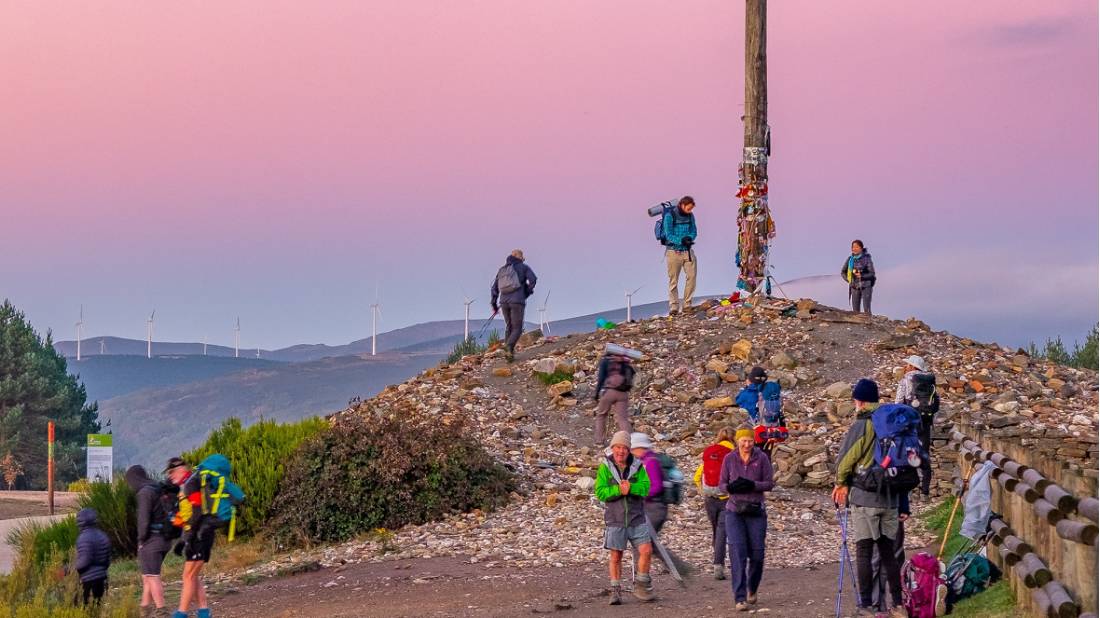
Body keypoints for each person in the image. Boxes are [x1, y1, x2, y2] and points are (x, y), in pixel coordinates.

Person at [831, 379, 906, 618]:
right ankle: (897, 604)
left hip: (865, 497)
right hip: (891, 498)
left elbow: (846, 460)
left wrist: (841, 483)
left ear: (860, 401)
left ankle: (866, 605)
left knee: (864, 551)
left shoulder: (862, 424)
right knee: (888, 553)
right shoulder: (894, 423)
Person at [171, 454, 245, 618]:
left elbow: (196, 512)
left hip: (199, 535)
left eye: (172, 471)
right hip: (202, 533)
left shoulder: (191, 483)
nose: (170, 476)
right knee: (191, 575)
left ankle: (181, 614)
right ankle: (204, 612)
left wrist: (186, 539)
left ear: (182, 469)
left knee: (189, 575)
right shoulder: (192, 482)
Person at [594, 431, 654, 605]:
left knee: (646, 550)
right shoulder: (605, 467)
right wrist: (618, 490)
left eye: (624, 448)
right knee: (616, 556)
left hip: (636, 517)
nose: (620, 451)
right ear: (612, 448)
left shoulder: (638, 466)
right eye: (617, 447)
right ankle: (616, 590)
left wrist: (632, 488)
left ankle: (642, 584)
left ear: (629, 450)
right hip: (615, 518)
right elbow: (600, 492)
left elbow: (646, 487)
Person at [720, 428, 774, 611]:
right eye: (743, 440)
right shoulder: (729, 459)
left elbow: (769, 483)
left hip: (756, 511)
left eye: (749, 441)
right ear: (737, 441)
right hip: (734, 511)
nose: (746, 444)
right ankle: (740, 598)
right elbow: (721, 484)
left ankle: (753, 587)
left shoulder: (762, 458)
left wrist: (753, 485)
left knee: (757, 555)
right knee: (738, 553)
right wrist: (731, 488)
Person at [127, 464, 175, 617]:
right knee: (147, 574)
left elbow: (144, 520)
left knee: (153, 576)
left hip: (152, 540)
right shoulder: (157, 488)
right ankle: (144, 608)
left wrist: (141, 541)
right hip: (166, 539)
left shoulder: (144, 493)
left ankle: (162, 611)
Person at [694, 426, 737, 580]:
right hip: (727, 498)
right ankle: (718, 565)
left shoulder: (710, 452)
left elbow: (697, 476)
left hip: (709, 498)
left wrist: (703, 491)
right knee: (722, 532)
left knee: (715, 530)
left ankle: (717, 560)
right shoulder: (734, 454)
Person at [895, 354, 939, 496]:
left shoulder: (905, 379)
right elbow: (935, 403)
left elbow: (898, 402)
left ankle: (908, 491)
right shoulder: (929, 380)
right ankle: (925, 491)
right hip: (925, 422)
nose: (906, 367)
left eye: (908, 365)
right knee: (924, 454)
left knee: (907, 453)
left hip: (909, 422)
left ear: (913, 366)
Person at [489, 249, 538, 362]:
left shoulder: (502, 270)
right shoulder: (523, 267)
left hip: (504, 302)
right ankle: (509, 347)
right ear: (520, 258)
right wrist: (527, 291)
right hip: (517, 301)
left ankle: (509, 353)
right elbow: (533, 280)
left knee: (509, 326)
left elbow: (494, 289)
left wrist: (494, 306)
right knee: (517, 328)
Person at [871, 492, 909, 613]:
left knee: (879, 558)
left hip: (871, 508)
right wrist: (904, 507)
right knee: (892, 556)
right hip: (891, 506)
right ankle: (896, 603)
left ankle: (878, 604)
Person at [661, 196, 698, 314]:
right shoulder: (669, 216)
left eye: (691, 209)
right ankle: (674, 306)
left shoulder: (690, 216)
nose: (690, 211)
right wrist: (681, 240)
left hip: (688, 251)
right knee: (673, 280)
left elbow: (694, 230)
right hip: (673, 252)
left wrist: (690, 238)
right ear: (682, 205)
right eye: (688, 208)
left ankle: (687, 304)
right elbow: (668, 234)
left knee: (691, 277)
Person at [593, 350, 635, 446]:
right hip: (623, 393)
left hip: (609, 392)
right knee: (623, 419)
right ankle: (631, 442)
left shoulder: (606, 361)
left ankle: (599, 441)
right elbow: (632, 374)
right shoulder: (624, 362)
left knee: (601, 415)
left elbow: (601, 378)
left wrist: (596, 393)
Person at [74, 507, 111, 606]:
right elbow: (107, 560)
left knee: (84, 608)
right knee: (97, 606)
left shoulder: (83, 538)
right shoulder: (103, 535)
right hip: (102, 577)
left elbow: (85, 560)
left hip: (88, 580)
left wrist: (71, 569)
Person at [841, 240, 876, 315]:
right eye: (853, 247)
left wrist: (862, 276)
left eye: (856, 247)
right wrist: (849, 280)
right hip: (854, 287)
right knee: (855, 312)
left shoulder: (867, 259)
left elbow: (872, 273)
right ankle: (858, 326)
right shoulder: (850, 259)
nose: (854, 249)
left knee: (867, 310)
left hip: (866, 286)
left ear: (861, 248)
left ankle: (869, 325)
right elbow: (843, 272)